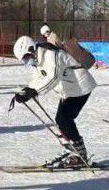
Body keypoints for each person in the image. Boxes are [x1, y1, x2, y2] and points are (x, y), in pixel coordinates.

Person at [11, 35, 97, 168]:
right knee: (61, 120)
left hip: (81, 87)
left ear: (31, 49)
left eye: (26, 57)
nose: (26, 61)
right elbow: (38, 78)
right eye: (24, 60)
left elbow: (53, 77)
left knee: (64, 118)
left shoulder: (50, 54)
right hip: (69, 90)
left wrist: (34, 92)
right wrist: (27, 90)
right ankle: (72, 151)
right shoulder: (37, 59)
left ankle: (79, 155)